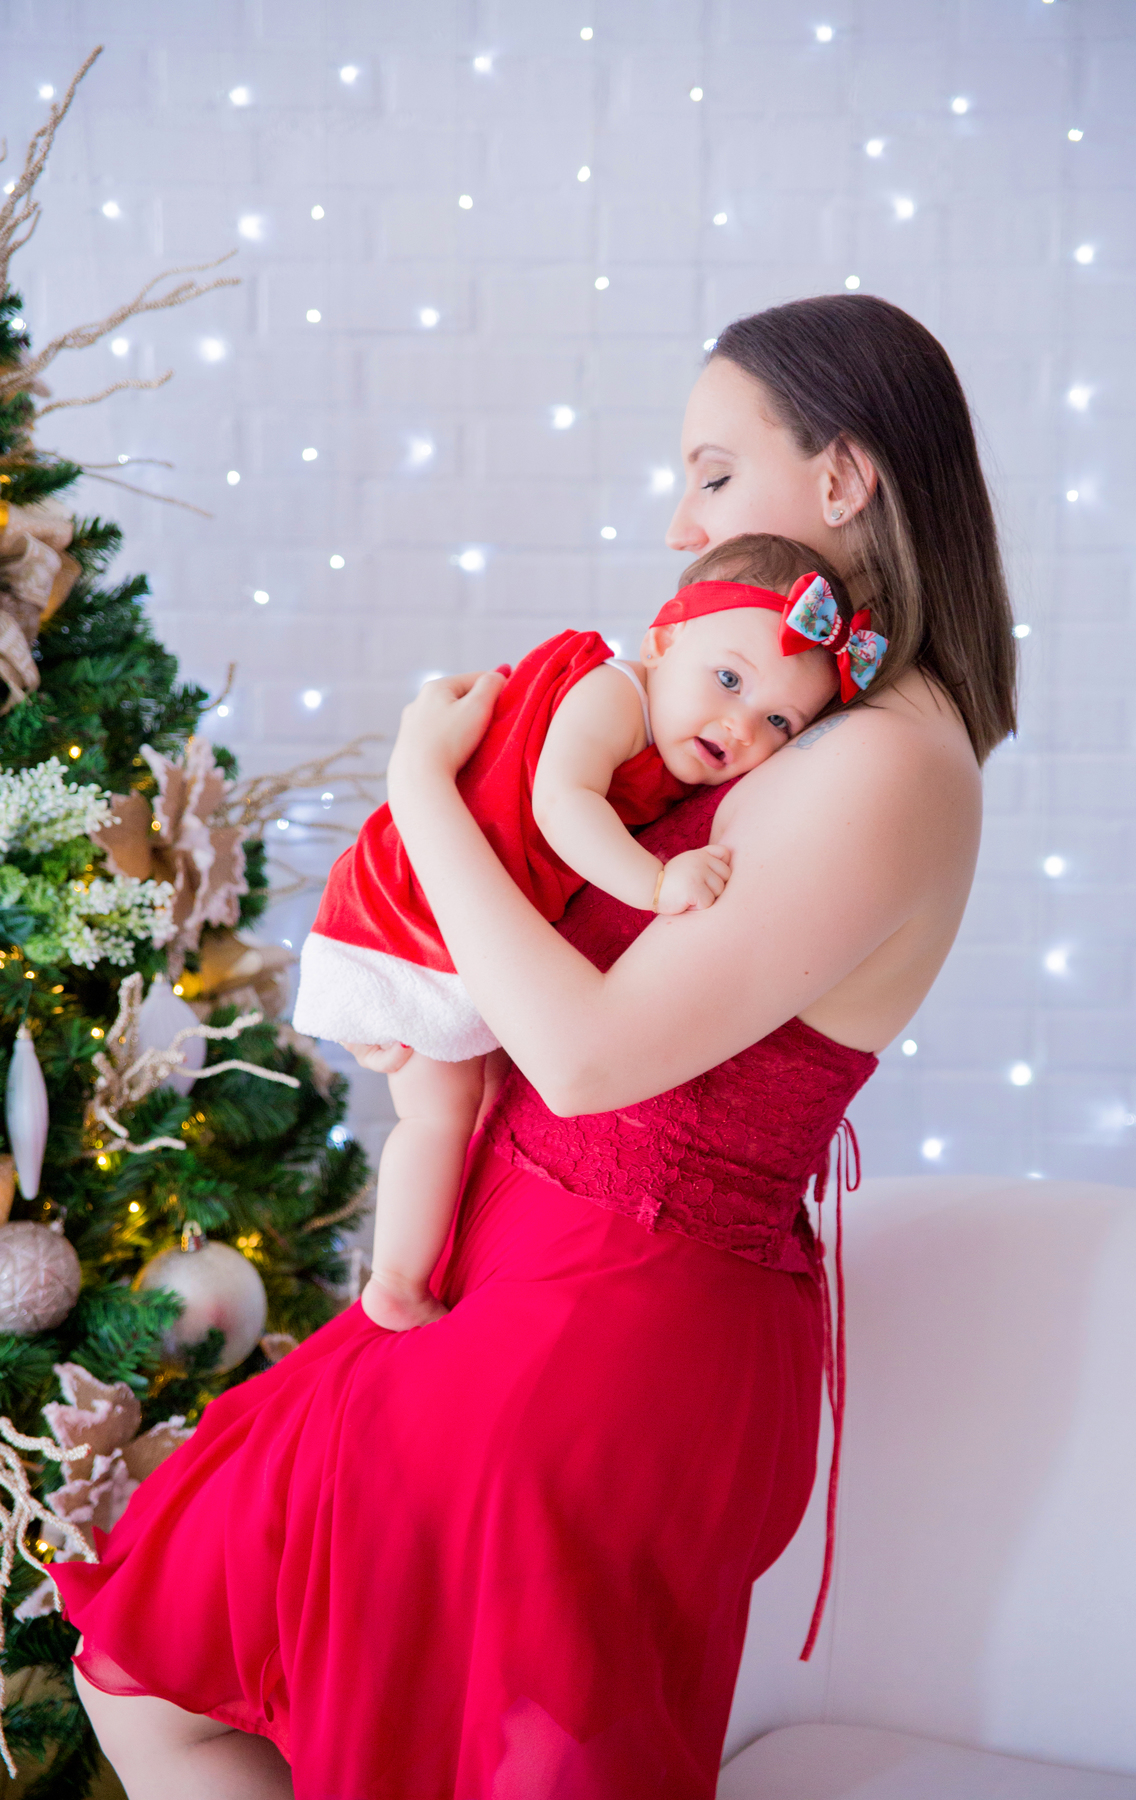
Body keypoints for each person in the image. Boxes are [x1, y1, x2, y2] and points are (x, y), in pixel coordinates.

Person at [58, 293, 1015, 1800]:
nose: (683, 519)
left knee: (421, 1733)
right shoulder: (802, 715)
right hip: (534, 1268)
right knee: (180, 1649)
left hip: (608, 1323)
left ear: (841, 481)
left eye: (713, 469)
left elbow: (583, 1059)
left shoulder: (887, 763)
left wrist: (421, 794)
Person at [293, 534, 859, 1334]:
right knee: (438, 1114)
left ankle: (425, 1265)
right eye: (728, 678)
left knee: (467, 1107)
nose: (738, 723)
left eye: (776, 719)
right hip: (413, 909)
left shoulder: (671, 737)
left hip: (450, 914)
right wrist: (657, 883)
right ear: (664, 642)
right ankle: (395, 1281)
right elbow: (565, 807)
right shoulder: (613, 693)